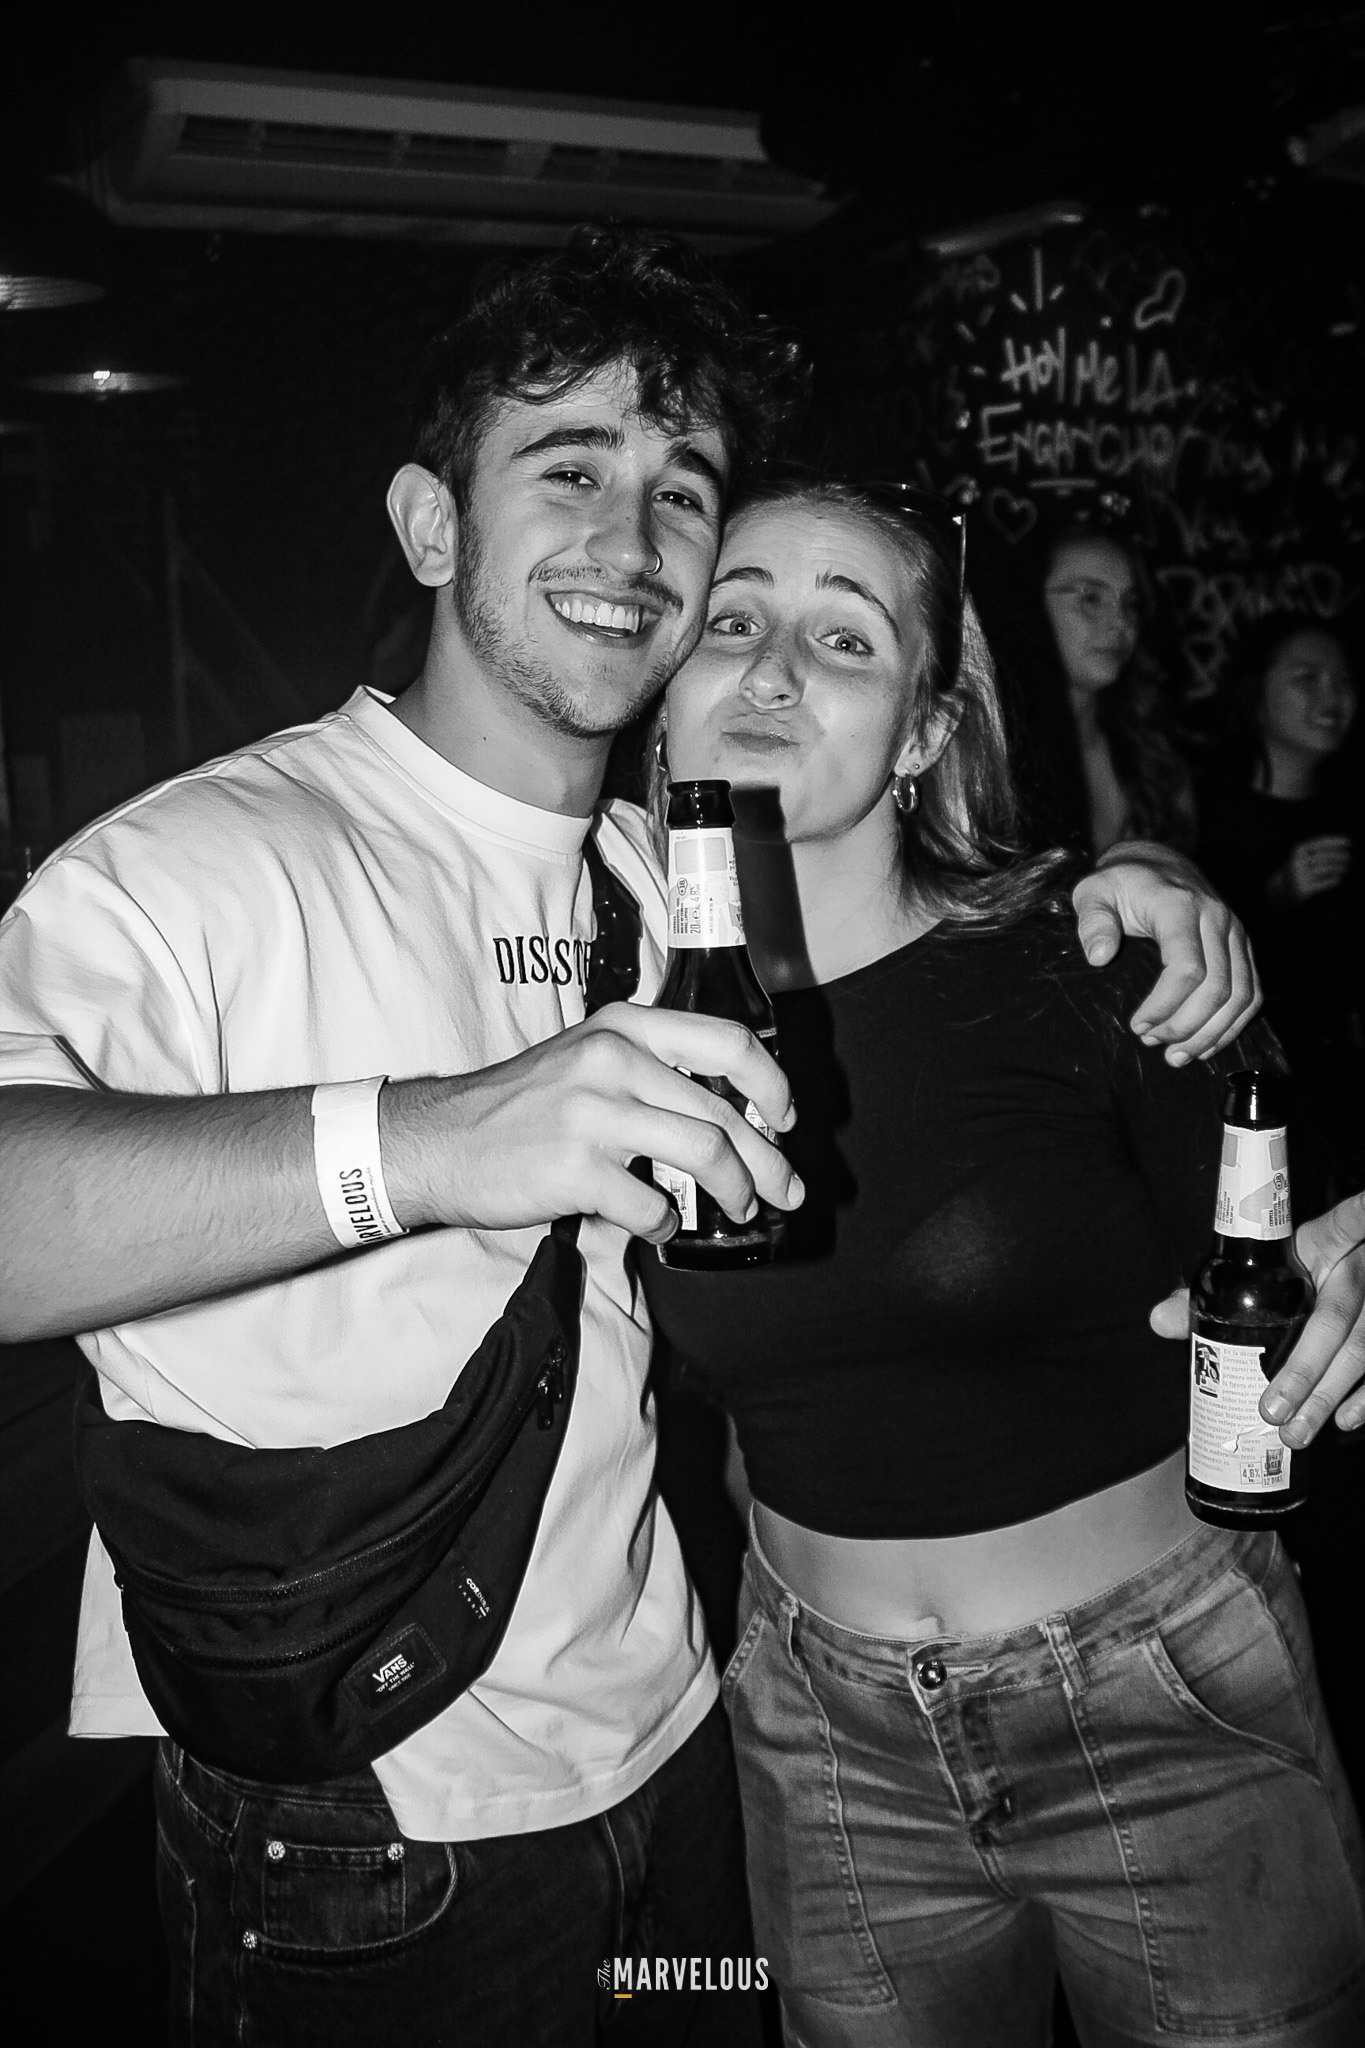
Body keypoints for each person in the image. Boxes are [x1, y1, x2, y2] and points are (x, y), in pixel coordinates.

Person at [0, 229, 1306, 2046]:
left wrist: (1149, 876)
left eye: (680, 492)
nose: (631, 542)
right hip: (373, 1836)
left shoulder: (672, 883)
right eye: (568, 472)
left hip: (694, 1765)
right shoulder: (201, 866)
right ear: (430, 525)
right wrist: (430, 1143)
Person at [638, 473, 1365, 2048]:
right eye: (730, 622)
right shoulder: (611, 1024)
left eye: (844, 637)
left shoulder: (1089, 960)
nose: (770, 668)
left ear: (923, 731)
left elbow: (1317, 1226)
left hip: (1165, 1700)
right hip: (821, 1737)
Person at [1197, 612, 1362, 1208]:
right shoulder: (1202, 809)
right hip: (1260, 1088)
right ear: (1256, 692)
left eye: (1343, 680)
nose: (1332, 697)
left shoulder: (1350, 806)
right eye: (1307, 678)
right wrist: (1276, 897)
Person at [1006, 526, 1195, 858]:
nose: (1120, 622)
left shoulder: (1153, 755)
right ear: (1030, 606)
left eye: (1130, 604)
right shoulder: (993, 753)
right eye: (1091, 598)